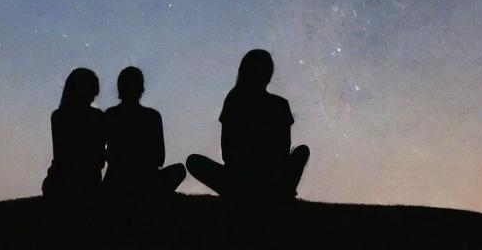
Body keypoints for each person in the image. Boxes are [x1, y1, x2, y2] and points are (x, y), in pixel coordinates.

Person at [186, 49, 309, 201]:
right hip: (268, 180)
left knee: (194, 161)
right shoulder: (279, 104)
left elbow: (227, 152)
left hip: (241, 181)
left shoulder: (235, 100)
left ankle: (254, 191)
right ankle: (279, 190)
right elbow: (283, 152)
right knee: (301, 151)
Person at [103, 66, 186, 197]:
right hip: (142, 181)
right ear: (141, 88)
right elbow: (160, 158)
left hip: (120, 181)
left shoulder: (110, 115)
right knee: (179, 170)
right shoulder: (152, 116)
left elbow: (103, 154)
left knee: (179, 170)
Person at [42, 67, 106, 200]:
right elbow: (99, 156)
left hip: (64, 180)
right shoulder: (98, 117)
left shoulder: (59, 116)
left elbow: (61, 156)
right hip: (84, 180)